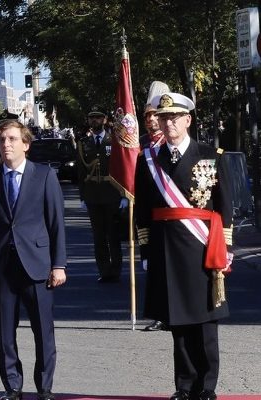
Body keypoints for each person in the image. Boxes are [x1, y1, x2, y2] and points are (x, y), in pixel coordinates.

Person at [134, 93, 233, 400]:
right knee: (177, 321)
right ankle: (184, 384)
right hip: (166, 249)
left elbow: (224, 206)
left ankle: (207, 386)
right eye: (163, 118)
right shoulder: (148, 159)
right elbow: (143, 210)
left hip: (202, 247)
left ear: (188, 120)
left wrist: (226, 248)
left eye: (174, 118)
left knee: (205, 321)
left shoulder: (211, 155)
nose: (168, 123)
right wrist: (146, 251)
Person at [0, 119, 67, 400]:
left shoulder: (44, 175)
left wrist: (59, 264)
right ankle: (12, 386)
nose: (6, 144)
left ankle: (44, 387)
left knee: (43, 330)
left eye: (12, 139)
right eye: (2, 140)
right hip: (0, 266)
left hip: (37, 265)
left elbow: (56, 223)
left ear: (26, 144)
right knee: (5, 332)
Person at [77, 105, 124, 283]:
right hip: (93, 195)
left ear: (104, 119)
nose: (95, 120)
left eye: (98, 117)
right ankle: (104, 271)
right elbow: (81, 172)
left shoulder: (115, 141)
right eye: (92, 117)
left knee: (113, 234)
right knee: (98, 236)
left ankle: (116, 270)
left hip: (112, 194)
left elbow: (122, 169)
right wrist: (82, 196)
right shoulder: (84, 143)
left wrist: (124, 195)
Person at [140, 81, 170, 332]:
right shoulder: (142, 145)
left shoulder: (170, 143)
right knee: (156, 266)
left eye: (154, 115)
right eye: (147, 116)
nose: (150, 120)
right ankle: (161, 313)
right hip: (151, 213)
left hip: (174, 211)